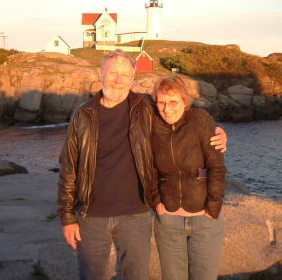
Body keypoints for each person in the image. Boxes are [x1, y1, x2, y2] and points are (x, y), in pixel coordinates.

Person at [57, 50, 227, 280]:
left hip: (135, 215)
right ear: (101, 74)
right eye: (113, 73)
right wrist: (67, 217)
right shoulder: (83, 115)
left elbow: (182, 117)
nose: (118, 80)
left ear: (133, 79)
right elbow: (68, 168)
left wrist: (216, 133)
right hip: (91, 216)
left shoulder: (145, 107)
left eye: (125, 75)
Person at [151, 76, 226, 280]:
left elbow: (217, 168)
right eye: (161, 102)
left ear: (185, 102)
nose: (167, 108)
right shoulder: (152, 125)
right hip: (168, 221)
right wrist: (157, 202)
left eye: (173, 102)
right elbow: (148, 169)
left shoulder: (200, 119)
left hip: (204, 219)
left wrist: (213, 208)